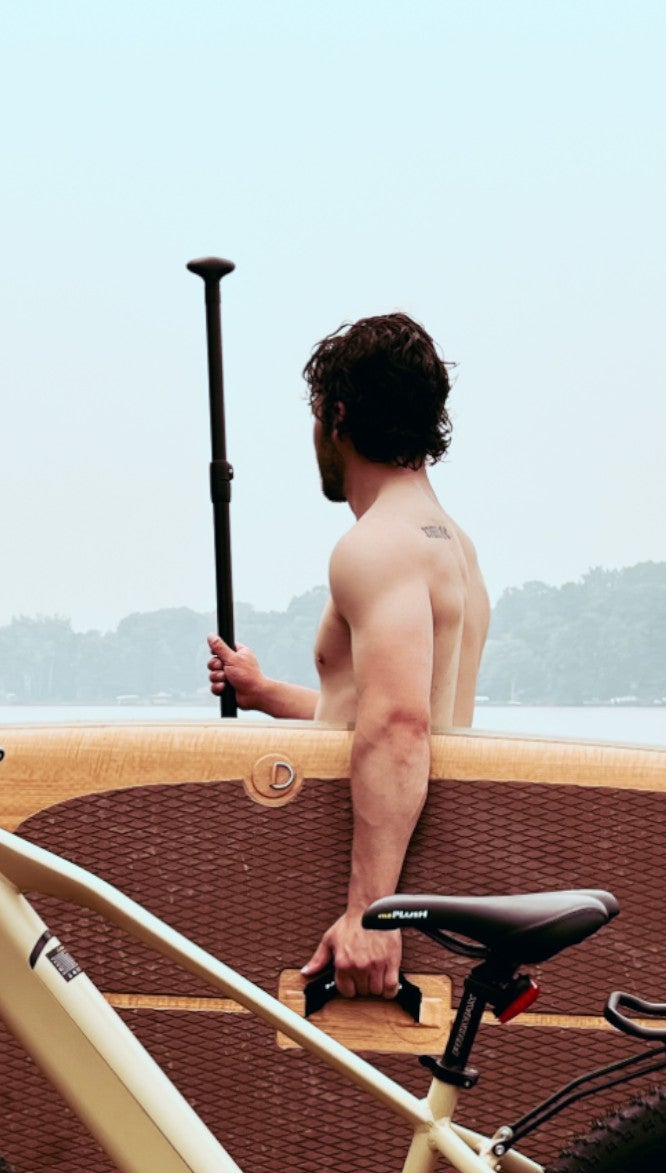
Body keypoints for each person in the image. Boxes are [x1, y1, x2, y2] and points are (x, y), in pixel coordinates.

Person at [207, 312, 490, 1000]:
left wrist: (371, 913)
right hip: (428, 858)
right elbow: (387, 712)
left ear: (336, 415)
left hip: (377, 879)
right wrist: (267, 692)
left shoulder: (376, 546)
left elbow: (398, 729)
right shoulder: (449, 541)